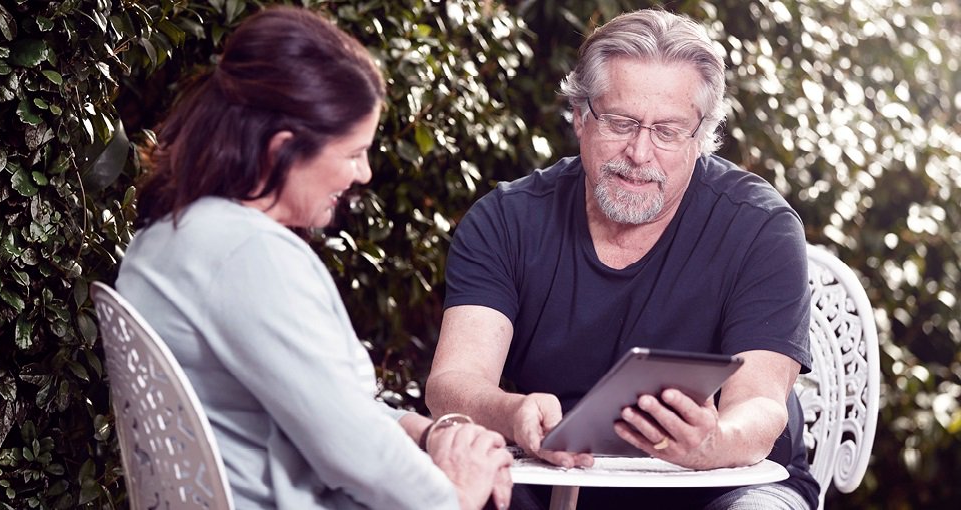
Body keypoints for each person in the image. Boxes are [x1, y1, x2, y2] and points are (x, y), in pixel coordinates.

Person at [116, 6, 513, 510]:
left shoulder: (168, 238)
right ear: (283, 148)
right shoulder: (250, 257)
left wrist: (426, 434)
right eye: (352, 153)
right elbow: (355, 455)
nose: (364, 174)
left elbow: (326, 411)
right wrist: (455, 494)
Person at [422, 9, 820, 510]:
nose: (639, 152)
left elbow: (760, 405)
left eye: (668, 131)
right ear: (580, 117)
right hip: (556, 478)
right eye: (620, 122)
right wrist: (510, 412)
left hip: (729, 483)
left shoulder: (761, 227)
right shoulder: (505, 220)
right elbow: (452, 384)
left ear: (700, 137)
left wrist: (712, 441)